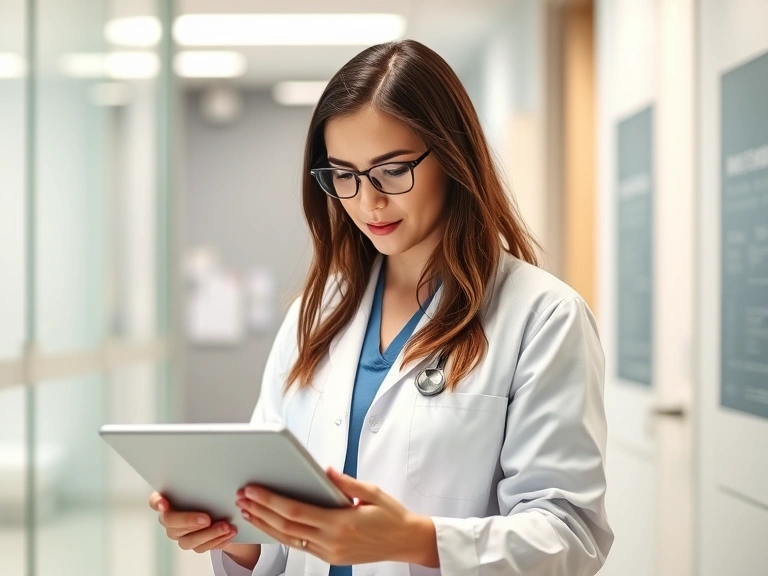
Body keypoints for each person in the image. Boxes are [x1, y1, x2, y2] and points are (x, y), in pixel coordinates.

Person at [149, 39, 613, 576]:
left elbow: (569, 533)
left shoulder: (542, 317)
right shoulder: (317, 313)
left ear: (453, 156)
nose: (367, 202)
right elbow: (274, 534)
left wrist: (417, 540)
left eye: (391, 170)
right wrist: (232, 536)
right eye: (342, 174)